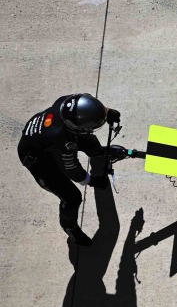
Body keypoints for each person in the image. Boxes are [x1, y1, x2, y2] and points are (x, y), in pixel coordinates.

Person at [18, 94, 123, 246]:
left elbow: (88, 105)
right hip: (38, 160)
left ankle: (98, 153)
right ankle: (70, 228)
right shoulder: (65, 142)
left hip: (52, 134)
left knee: (90, 141)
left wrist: (106, 112)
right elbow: (73, 170)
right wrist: (92, 181)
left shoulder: (66, 103)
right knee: (72, 197)